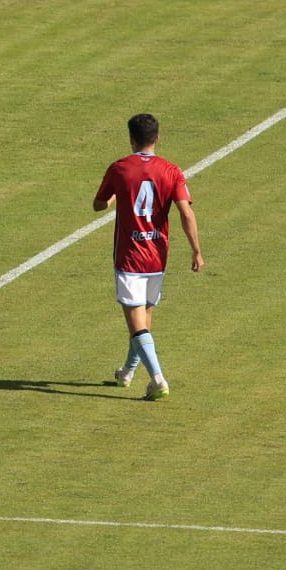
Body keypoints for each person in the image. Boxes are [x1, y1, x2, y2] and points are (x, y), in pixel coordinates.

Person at [92, 113, 203, 400]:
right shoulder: (172, 170)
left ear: (131, 138)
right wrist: (196, 250)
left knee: (136, 322)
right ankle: (127, 372)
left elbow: (99, 204)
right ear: (157, 138)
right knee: (143, 321)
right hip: (157, 256)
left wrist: (117, 195)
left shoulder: (119, 169)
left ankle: (158, 379)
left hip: (129, 257)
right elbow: (186, 212)